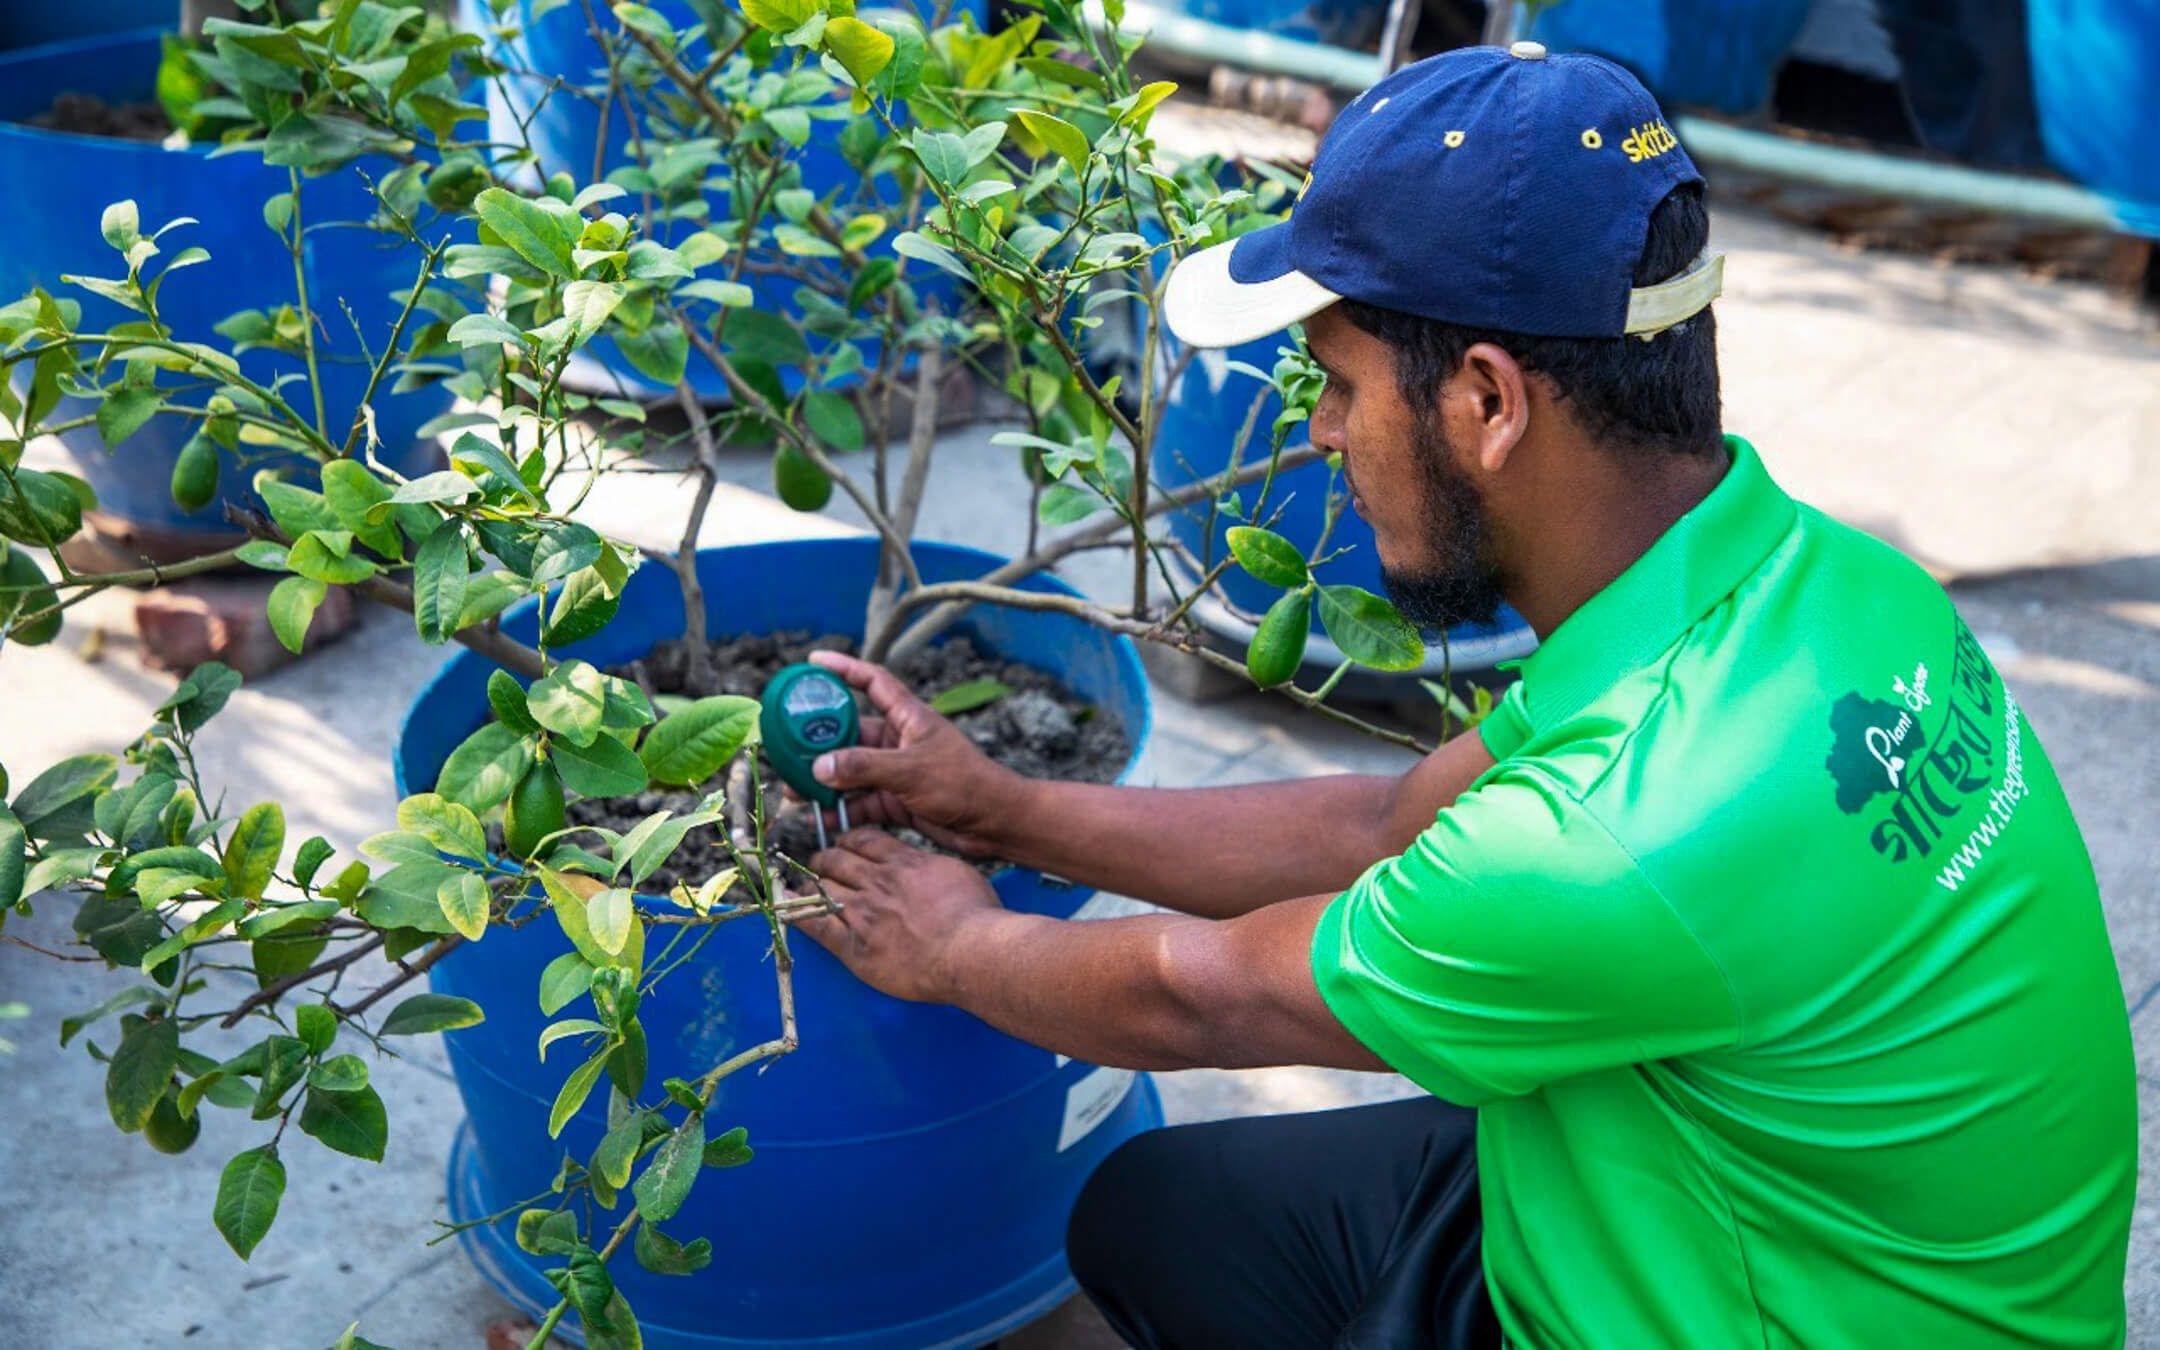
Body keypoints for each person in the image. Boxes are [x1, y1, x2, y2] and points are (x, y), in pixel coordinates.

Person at [789, 42, 2137, 1350]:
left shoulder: (1616, 836)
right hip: (1744, 1200)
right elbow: (1388, 821)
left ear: (1488, 401)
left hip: (1780, 1308)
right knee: (1156, 1217)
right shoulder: (1821, 581)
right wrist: (1004, 808)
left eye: (1338, 381)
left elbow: (1204, 1001)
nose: (1318, 430)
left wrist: (953, 947)